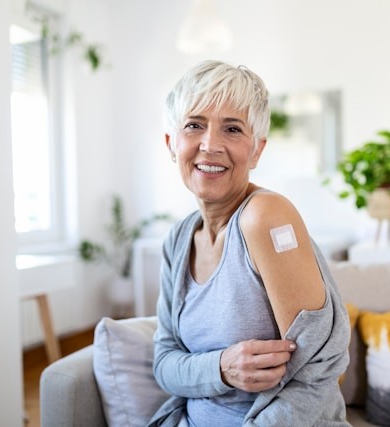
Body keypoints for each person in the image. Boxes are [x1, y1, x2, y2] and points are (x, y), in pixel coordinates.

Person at [148, 60, 351, 427]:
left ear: (256, 150)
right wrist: (221, 368)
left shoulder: (264, 217)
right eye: (194, 125)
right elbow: (164, 363)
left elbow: (317, 376)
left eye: (232, 129)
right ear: (171, 144)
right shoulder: (178, 240)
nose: (210, 145)